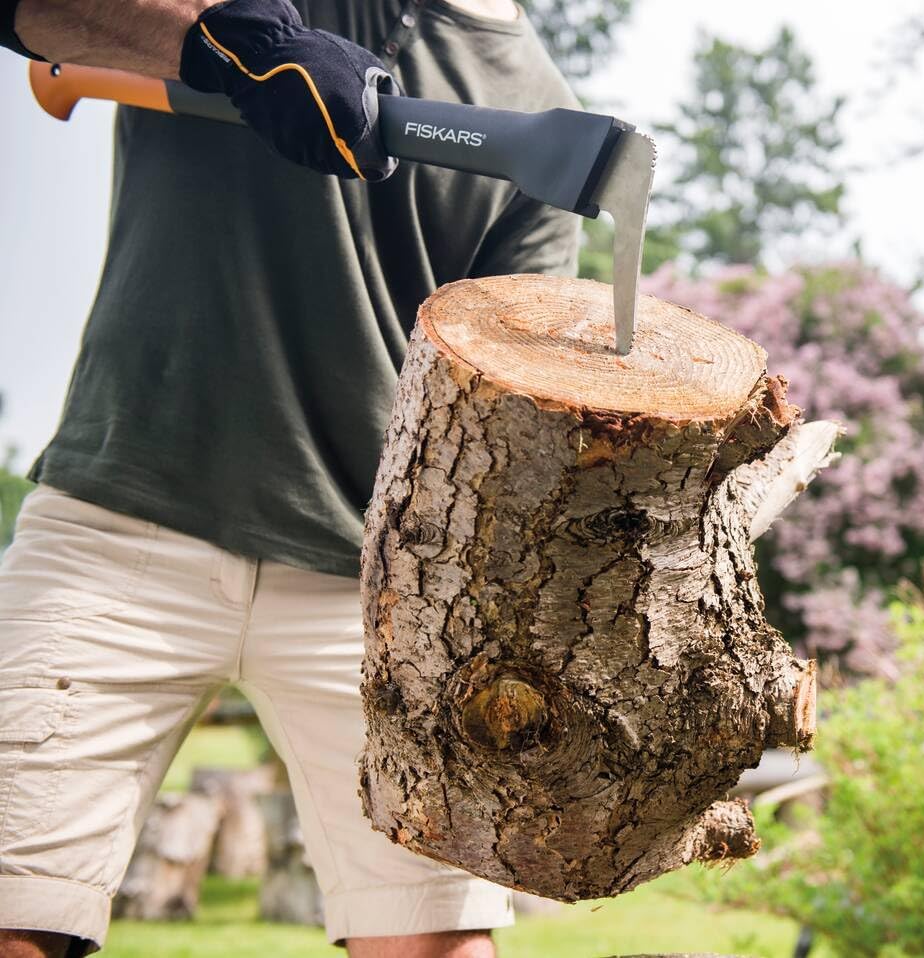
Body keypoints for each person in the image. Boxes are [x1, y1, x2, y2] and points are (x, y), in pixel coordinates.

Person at [0, 1, 582, 955]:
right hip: (116, 532)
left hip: (374, 590)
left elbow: (508, 414)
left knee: (438, 942)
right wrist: (233, 41)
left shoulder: (540, 119)